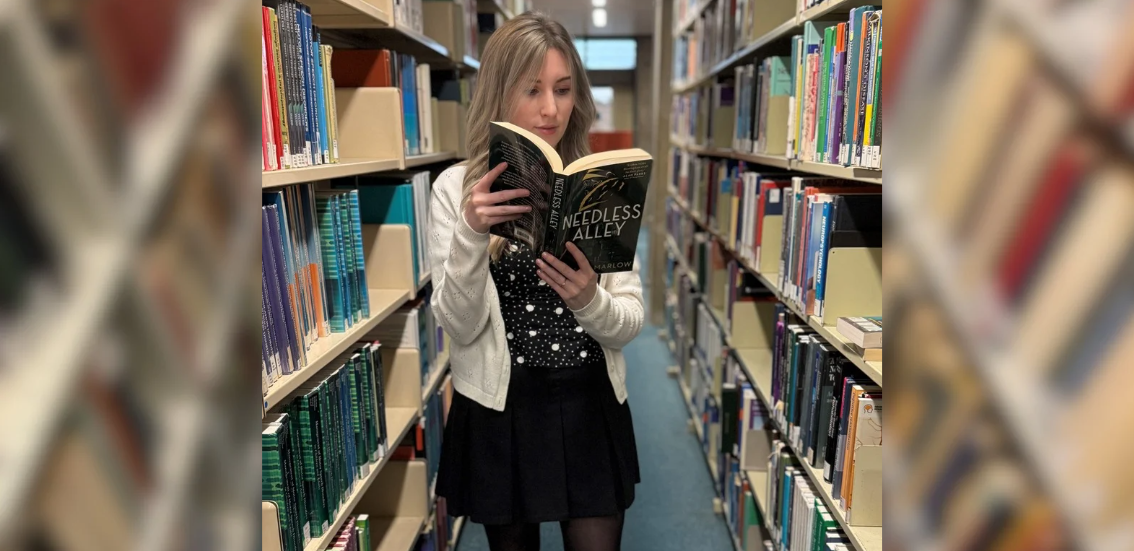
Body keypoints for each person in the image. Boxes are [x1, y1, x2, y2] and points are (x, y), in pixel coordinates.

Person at [428, 12, 644, 551]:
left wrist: (590, 301)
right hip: (501, 411)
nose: (551, 108)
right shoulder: (456, 190)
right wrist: (473, 234)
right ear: (500, 93)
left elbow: (628, 324)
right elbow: (458, 323)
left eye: (563, 89)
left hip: (588, 402)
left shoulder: (602, 183)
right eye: (532, 90)